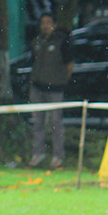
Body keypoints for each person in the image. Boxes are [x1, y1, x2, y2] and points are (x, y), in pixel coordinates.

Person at [28, 12, 74, 169]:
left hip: (55, 88)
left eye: (48, 22)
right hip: (37, 87)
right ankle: (38, 153)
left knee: (56, 122)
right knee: (38, 122)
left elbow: (69, 65)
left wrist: (62, 80)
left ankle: (58, 155)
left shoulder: (62, 42)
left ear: (54, 24)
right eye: (42, 23)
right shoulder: (37, 42)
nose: (45, 26)